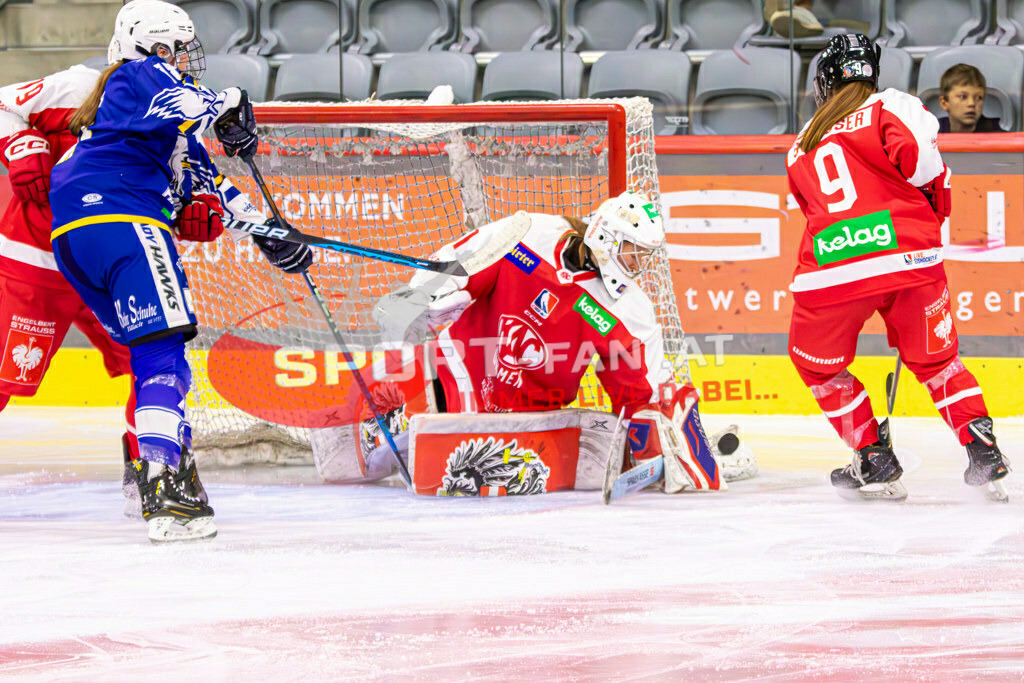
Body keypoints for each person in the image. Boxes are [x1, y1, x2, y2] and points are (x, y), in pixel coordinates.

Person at [48, 0, 310, 541]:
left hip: (77, 238)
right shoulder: (137, 76)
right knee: (162, 352)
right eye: (170, 48)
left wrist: (269, 233)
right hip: (123, 221)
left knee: (154, 351)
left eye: (182, 49)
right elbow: (189, 100)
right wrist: (232, 104)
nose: (181, 58)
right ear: (144, 47)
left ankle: (160, 470)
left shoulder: (162, 128)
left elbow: (212, 187)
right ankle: (163, 484)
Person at [314, 194, 758, 495]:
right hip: (454, 383)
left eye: (644, 256)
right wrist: (429, 296)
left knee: (624, 439)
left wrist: (667, 439)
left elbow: (640, 396)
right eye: (632, 251)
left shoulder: (630, 313)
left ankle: (716, 452)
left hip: (526, 423)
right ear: (604, 235)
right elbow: (455, 267)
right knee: (352, 461)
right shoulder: (527, 234)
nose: (637, 266)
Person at [785, 33, 1010, 501]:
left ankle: (871, 455)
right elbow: (926, 167)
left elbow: (813, 209)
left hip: (831, 265)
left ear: (825, 80)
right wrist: (927, 224)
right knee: (939, 363)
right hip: (910, 255)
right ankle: (982, 447)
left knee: (819, 368)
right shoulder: (893, 105)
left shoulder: (801, 143)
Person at [0, 64, 141, 464]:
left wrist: (202, 208)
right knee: (3, 380)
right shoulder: (77, 87)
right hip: (37, 260)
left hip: (111, 270)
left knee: (157, 367)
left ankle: (149, 467)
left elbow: (189, 178)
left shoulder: (174, 109)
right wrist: (21, 144)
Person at [937, 63, 1003, 134]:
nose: (971, 103)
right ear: (944, 103)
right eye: (963, 97)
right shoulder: (931, 133)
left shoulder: (998, 137)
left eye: (978, 98)